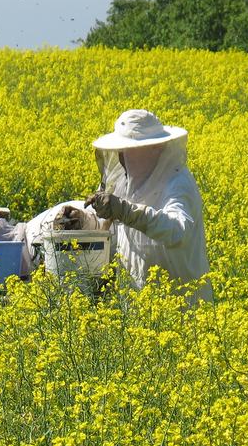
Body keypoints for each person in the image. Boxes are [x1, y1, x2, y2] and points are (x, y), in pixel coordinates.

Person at [84, 109, 213, 304]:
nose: (120, 158)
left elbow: (178, 230)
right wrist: (82, 218)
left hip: (183, 313)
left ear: (154, 148)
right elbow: (109, 229)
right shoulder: (124, 182)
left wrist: (126, 211)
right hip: (138, 310)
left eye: (128, 151)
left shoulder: (177, 182)